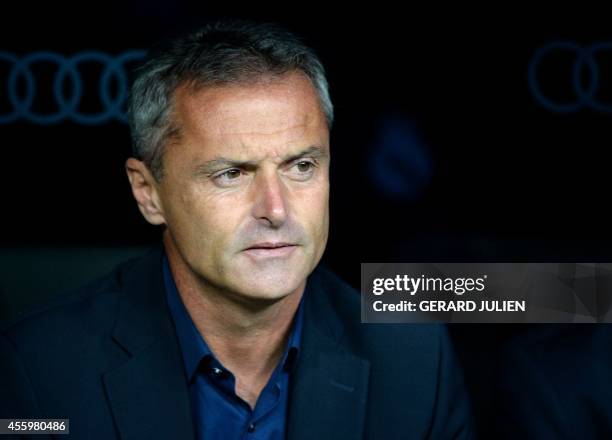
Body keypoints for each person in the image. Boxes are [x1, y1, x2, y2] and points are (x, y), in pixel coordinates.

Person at [0, 19, 473, 439]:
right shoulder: (38, 370)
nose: (275, 209)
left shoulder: (414, 362)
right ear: (149, 193)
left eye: (301, 166)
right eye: (232, 174)